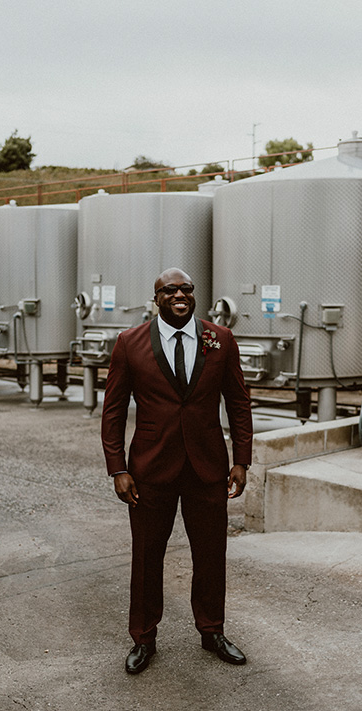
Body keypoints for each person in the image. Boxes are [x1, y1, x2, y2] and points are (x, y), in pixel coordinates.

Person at [101, 267, 253, 674]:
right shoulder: (130, 343)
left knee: (210, 555)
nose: (180, 295)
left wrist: (241, 460)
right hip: (150, 469)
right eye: (170, 290)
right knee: (147, 557)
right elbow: (113, 412)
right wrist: (117, 468)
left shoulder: (219, 339)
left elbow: (238, 403)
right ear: (157, 298)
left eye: (186, 289)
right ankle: (144, 638)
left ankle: (212, 631)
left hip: (207, 468)